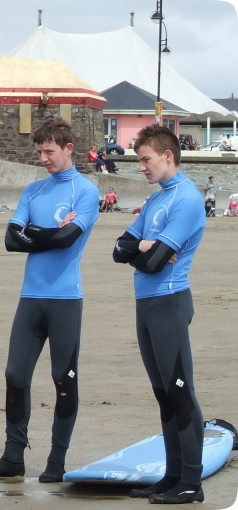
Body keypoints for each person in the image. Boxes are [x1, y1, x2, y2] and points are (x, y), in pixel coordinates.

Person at [0, 118, 99, 483]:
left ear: (69, 149)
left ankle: (56, 462)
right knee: (14, 375)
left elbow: (66, 241)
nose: (43, 158)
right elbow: (11, 241)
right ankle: (13, 457)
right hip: (31, 297)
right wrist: (50, 233)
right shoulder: (34, 191)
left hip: (65, 298)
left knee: (63, 378)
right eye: (39, 152)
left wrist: (37, 233)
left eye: (50, 152)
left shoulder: (86, 192)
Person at [112, 124, 206, 504]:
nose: (142, 168)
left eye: (146, 160)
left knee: (180, 391)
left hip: (169, 301)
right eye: (139, 161)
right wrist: (146, 247)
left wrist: (145, 249)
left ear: (168, 155)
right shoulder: (155, 201)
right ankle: (173, 475)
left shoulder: (187, 199)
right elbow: (120, 249)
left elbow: (151, 264)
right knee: (163, 394)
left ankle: (192, 483)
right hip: (146, 304)